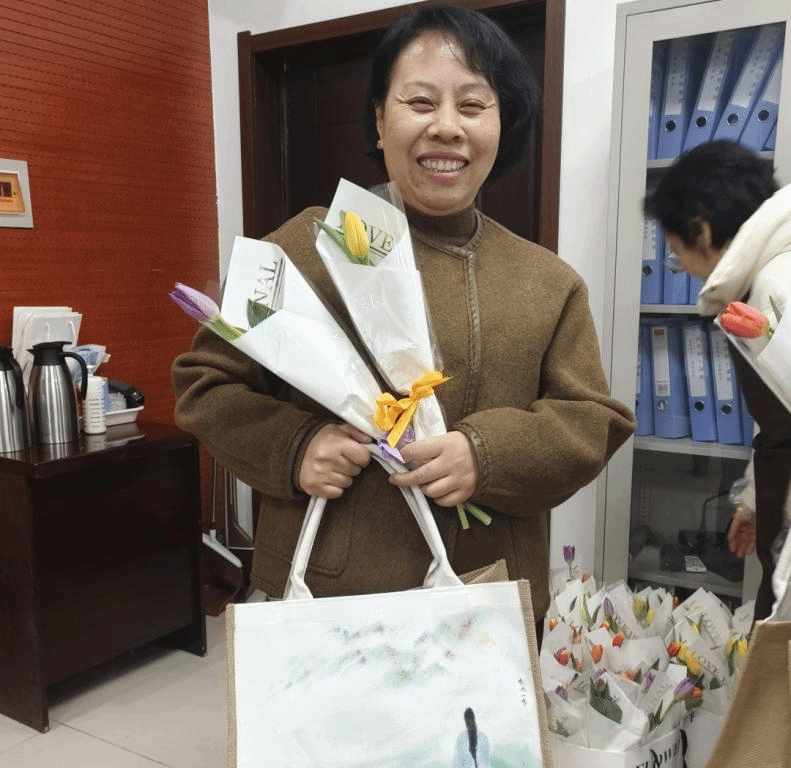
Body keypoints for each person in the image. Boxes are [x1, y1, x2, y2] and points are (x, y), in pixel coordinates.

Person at [171, 5, 635, 621]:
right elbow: (204, 385)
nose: (446, 127)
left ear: (502, 123)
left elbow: (591, 421)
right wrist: (295, 446)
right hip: (330, 599)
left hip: (488, 598)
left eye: (472, 105)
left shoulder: (548, 282)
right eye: (420, 102)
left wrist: (486, 454)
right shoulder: (310, 246)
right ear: (380, 120)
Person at [644, 138, 791, 620]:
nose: (681, 269)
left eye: (675, 252)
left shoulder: (776, 289)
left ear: (701, 231)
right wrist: (757, 501)